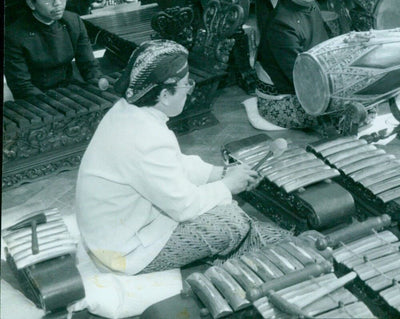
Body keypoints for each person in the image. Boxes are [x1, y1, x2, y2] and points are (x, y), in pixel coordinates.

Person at [76, 40, 290, 275]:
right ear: (165, 95)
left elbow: (172, 164)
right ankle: (256, 259)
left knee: (226, 207)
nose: (189, 89)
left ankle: (252, 248)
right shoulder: (144, 137)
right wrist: (228, 185)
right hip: (121, 250)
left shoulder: (130, 113)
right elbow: (185, 207)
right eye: (186, 84)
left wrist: (219, 174)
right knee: (233, 223)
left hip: (117, 228)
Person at [5, 0, 108, 100]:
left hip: (71, 87)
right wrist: (52, 104)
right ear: (31, 4)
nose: (58, 3)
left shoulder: (73, 21)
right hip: (36, 99)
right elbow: (21, 85)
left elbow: (88, 65)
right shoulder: (13, 35)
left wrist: (97, 80)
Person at [253, 0, 328, 129]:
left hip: (307, 81)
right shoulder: (281, 24)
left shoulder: (310, 4)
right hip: (281, 99)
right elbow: (299, 77)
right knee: (345, 108)